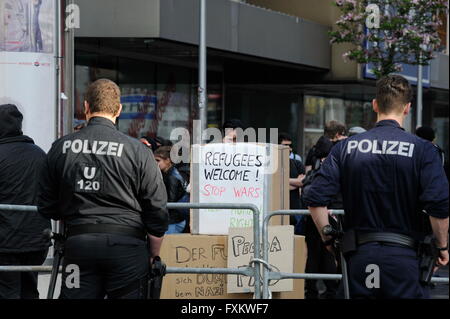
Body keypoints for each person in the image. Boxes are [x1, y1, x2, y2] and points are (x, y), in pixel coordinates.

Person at [304, 75, 449, 299]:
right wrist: (441, 246)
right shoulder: (423, 150)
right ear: (407, 108)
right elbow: (438, 205)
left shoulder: (346, 148)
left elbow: (314, 198)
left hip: (358, 258)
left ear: (375, 104)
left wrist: (329, 240)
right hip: (405, 260)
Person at [38, 79, 169, 299]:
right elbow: (157, 208)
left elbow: (46, 205)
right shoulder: (138, 151)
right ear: (118, 110)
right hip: (127, 249)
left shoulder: (61, 147)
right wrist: (154, 254)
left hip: (79, 248)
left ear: (86, 107)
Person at [0, 104, 51, 299]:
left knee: (6, 292)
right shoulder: (39, 154)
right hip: (36, 240)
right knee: (30, 290)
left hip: (5, 243)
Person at [301, 136, 340, 299]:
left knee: (314, 256)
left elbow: (306, 193)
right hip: (330, 218)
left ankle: (312, 291)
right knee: (329, 255)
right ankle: (330, 291)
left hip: (312, 218)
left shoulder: (314, 171)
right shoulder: (334, 167)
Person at [154, 146, 190, 234]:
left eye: (158, 160)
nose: (155, 163)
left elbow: (171, 200)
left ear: (168, 160)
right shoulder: (171, 173)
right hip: (175, 218)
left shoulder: (171, 177)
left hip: (174, 220)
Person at [279, 133, 305, 234]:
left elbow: (302, 182)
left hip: (295, 209)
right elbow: (274, 185)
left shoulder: (297, 164)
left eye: (290, 146)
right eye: (285, 145)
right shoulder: (272, 165)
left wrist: (282, 180)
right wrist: (294, 183)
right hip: (277, 210)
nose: (288, 148)